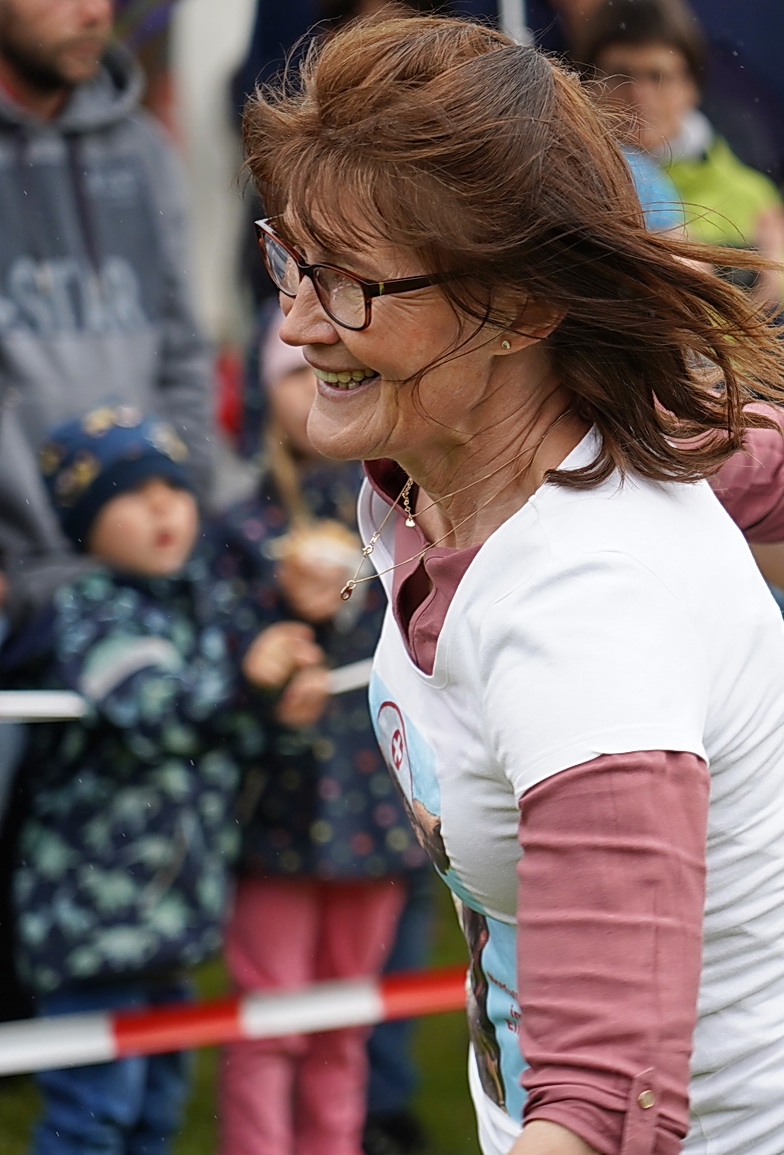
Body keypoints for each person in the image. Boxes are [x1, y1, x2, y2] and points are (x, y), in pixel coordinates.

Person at [243, 15, 784, 1155]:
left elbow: (604, 1114)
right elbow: (781, 463)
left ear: (521, 309)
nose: (293, 324)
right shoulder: (529, 442)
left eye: (351, 286)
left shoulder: (590, 619)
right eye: (289, 257)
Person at [12, 406, 327, 1155]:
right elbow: (160, 716)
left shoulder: (203, 603)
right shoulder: (87, 612)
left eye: (175, 487)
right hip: (91, 935)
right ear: (81, 520)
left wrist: (279, 709)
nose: (162, 505)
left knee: (155, 1115)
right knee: (91, 1120)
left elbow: (229, 738)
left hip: (174, 928)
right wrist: (248, 683)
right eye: (129, 490)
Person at [214, 317, 427, 1155]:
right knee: (269, 1019)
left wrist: (347, 596)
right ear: (266, 393)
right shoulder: (239, 530)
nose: (315, 390)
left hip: (374, 801)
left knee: (347, 1019)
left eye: (332, 373)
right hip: (280, 806)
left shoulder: (402, 508)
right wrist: (273, 635)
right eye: (295, 374)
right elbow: (223, 652)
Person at [0, 0, 213, 629]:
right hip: (14, 582)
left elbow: (184, 348)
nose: (94, 12)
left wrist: (184, 495)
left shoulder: (144, 150)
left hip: (145, 555)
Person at [573, 0, 784, 386]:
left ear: (692, 87)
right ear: (589, 84)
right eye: (621, 75)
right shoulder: (571, 189)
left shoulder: (752, 196)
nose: (639, 95)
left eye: (658, 76)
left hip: (745, 420)